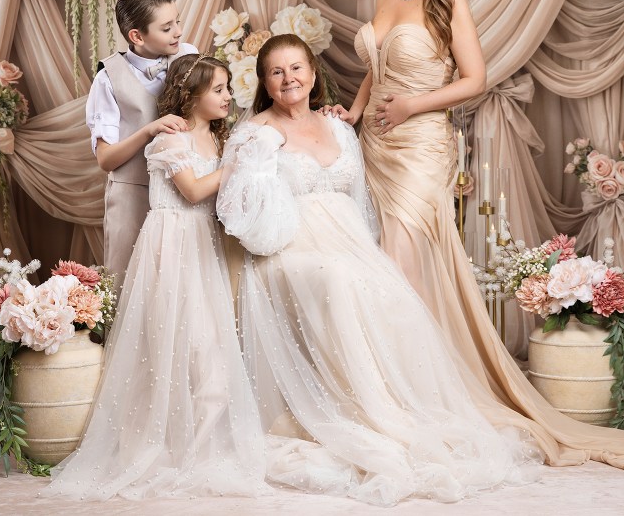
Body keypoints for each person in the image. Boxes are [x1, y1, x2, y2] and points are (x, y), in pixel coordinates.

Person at [329, 0, 624, 467]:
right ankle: (390, 381)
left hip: (421, 142)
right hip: (377, 143)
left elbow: (475, 80)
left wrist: (413, 106)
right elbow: (374, 69)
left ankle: (418, 386)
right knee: (383, 253)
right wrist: (355, 113)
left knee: (401, 256)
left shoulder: (448, 1)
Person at [218, 34, 542, 507]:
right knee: (339, 279)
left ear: (313, 73)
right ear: (264, 83)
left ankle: (395, 409)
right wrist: (262, 161)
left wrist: (371, 252)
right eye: (276, 72)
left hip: (346, 243)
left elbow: (361, 203)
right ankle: (361, 411)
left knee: (388, 287)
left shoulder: (340, 128)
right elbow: (241, 212)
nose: (289, 79)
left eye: (297, 68)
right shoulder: (254, 134)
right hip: (288, 249)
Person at [46, 55, 267, 500]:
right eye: (219, 89)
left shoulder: (219, 142)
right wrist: (245, 162)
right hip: (171, 249)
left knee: (211, 347)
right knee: (176, 341)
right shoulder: (170, 142)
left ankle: (203, 443)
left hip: (203, 248)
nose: (228, 96)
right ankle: (169, 441)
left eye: (228, 87)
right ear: (189, 96)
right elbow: (193, 191)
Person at [87, 0, 198, 284]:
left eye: (177, 21)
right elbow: (106, 159)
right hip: (133, 195)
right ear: (137, 36)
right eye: (166, 27)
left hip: (186, 191)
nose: (178, 31)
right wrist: (148, 129)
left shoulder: (189, 56)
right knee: (130, 285)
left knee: (184, 285)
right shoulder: (107, 78)